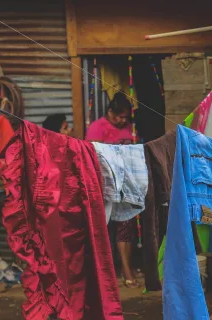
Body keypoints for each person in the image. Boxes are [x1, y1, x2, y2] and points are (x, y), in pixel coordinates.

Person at [85, 93, 142, 288]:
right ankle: (111, 273)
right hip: (104, 187)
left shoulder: (129, 128)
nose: (123, 121)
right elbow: (91, 159)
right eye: (119, 117)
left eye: (126, 117)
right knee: (102, 231)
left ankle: (128, 269)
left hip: (126, 185)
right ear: (110, 112)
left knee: (126, 227)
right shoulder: (96, 129)